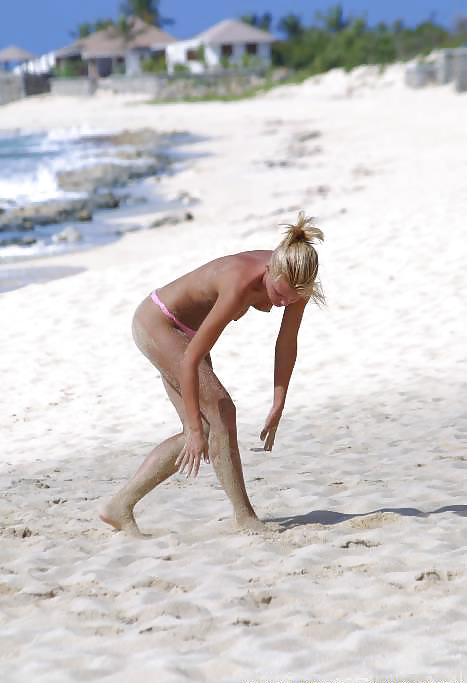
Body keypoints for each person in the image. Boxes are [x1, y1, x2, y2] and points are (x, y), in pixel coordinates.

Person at [100, 211, 324, 536]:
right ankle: (245, 517)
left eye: (290, 299)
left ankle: (118, 506)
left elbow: (286, 342)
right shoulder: (238, 283)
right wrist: (192, 428)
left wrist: (278, 402)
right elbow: (190, 358)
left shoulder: (296, 284)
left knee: (209, 428)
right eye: (278, 294)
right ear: (271, 270)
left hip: (187, 334)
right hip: (159, 322)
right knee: (219, 411)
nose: (281, 303)